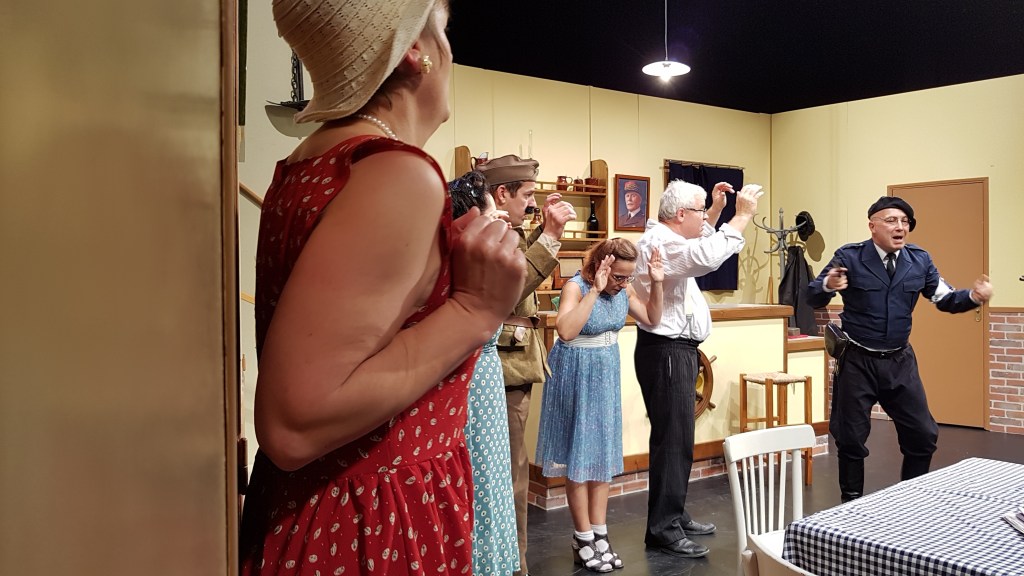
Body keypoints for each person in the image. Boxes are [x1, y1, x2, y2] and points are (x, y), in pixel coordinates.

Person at [239, 1, 527, 574]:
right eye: (443, 29)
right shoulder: (396, 173)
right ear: (417, 51)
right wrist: (474, 308)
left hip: (328, 509)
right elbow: (292, 423)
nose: (451, 49)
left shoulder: (315, 159)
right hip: (368, 522)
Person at [807, 196, 993, 502]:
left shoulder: (919, 260)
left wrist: (972, 297)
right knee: (850, 439)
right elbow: (812, 296)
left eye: (905, 222)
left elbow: (945, 298)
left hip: (899, 361)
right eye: (892, 220)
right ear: (873, 226)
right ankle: (850, 505)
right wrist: (828, 285)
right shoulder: (850, 257)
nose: (900, 227)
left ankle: (910, 500)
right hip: (856, 361)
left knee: (923, 435)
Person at [633, 179, 763, 559]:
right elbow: (706, 255)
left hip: (676, 351)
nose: (704, 217)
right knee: (673, 441)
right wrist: (741, 216)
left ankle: (673, 514)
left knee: (678, 440)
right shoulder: (660, 242)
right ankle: (663, 529)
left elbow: (701, 240)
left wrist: (716, 211)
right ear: (679, 214)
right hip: (667, 351)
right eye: (699, 210)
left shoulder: (672, 237)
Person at [535, 238, 664, 573]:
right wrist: (595, 290)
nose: (622, 283)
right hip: (575, 372)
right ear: (599, 266)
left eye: (628, 277)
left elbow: (652, 318)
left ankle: (600, 533)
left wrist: (657, 283)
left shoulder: (624, 290)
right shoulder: (576, 288)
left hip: (605, 373)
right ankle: (582, 537)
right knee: (579, 455)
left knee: (601, 456)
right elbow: (565, 331)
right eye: (618, 276)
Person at [477, 154, 577, 576]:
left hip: (510, 365)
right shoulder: (490, 231)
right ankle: (512, 563)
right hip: (503, 367)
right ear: (502, 193)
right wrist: (550, 236)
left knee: (512, 469)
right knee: (511, 472)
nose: (533, 203)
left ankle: (510, 558)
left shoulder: (502, 229)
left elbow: (517, 260)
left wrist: (541, 231)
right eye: (528, 195)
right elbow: (512, 285)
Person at [447, 171, 520, 576]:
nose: (500, 227)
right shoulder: (461, 267)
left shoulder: (479, 263)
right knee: (477, 484)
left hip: (486, 379)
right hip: (468, 382)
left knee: (491, 482)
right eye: (493, 218)